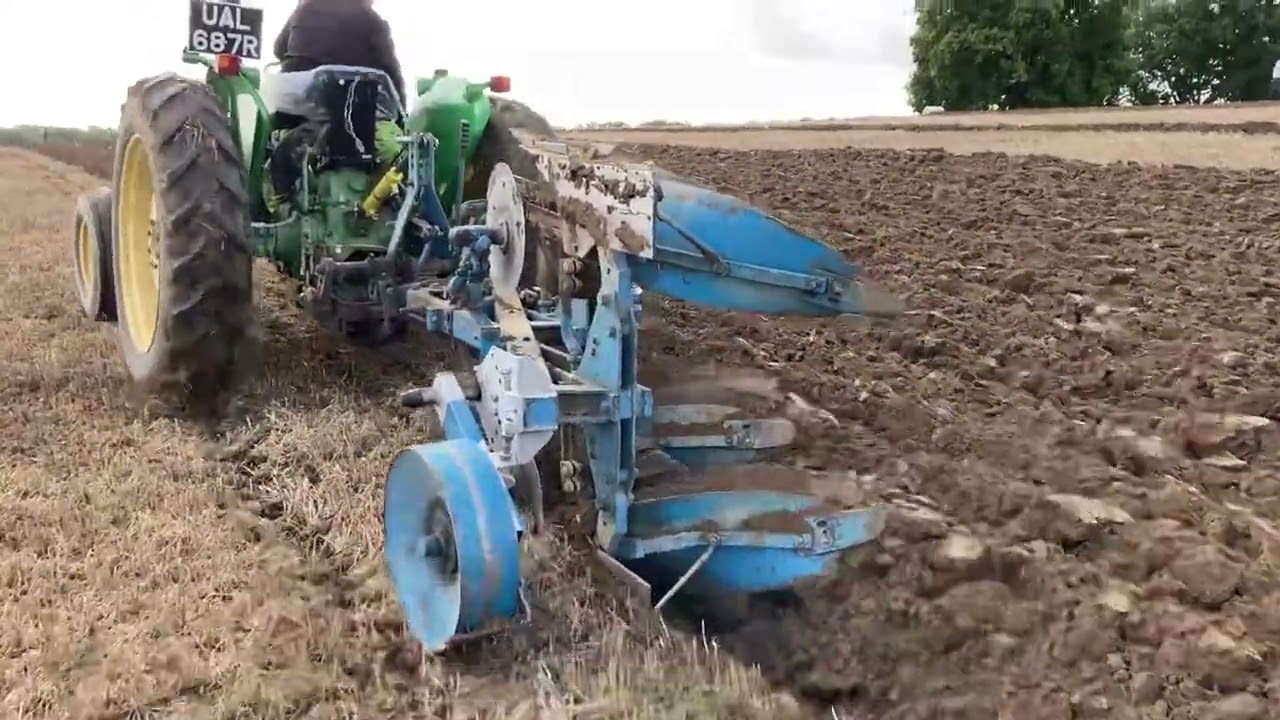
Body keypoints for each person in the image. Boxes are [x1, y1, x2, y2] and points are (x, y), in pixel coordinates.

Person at [272, 0, 406, 106]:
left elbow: (278, 50)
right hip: (355, 113)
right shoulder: (375, 22)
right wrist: (403, 115)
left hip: (297, 108)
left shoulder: (301, 12)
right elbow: (392, 73)